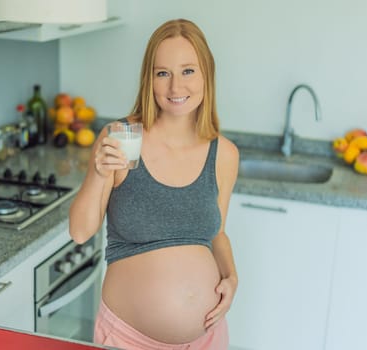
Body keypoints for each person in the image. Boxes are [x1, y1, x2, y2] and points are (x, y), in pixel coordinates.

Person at [69, 18, 239, 350]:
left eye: (188, 71)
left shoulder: (224, 154)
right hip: (128, 339)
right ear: (149, 79)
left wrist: (232, 277)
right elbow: (79, 232)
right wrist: (99, 174)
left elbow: (216, 233)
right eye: (163, 73)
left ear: (207, 74)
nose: (176, 88)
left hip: (207, 339)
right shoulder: (122, 139)